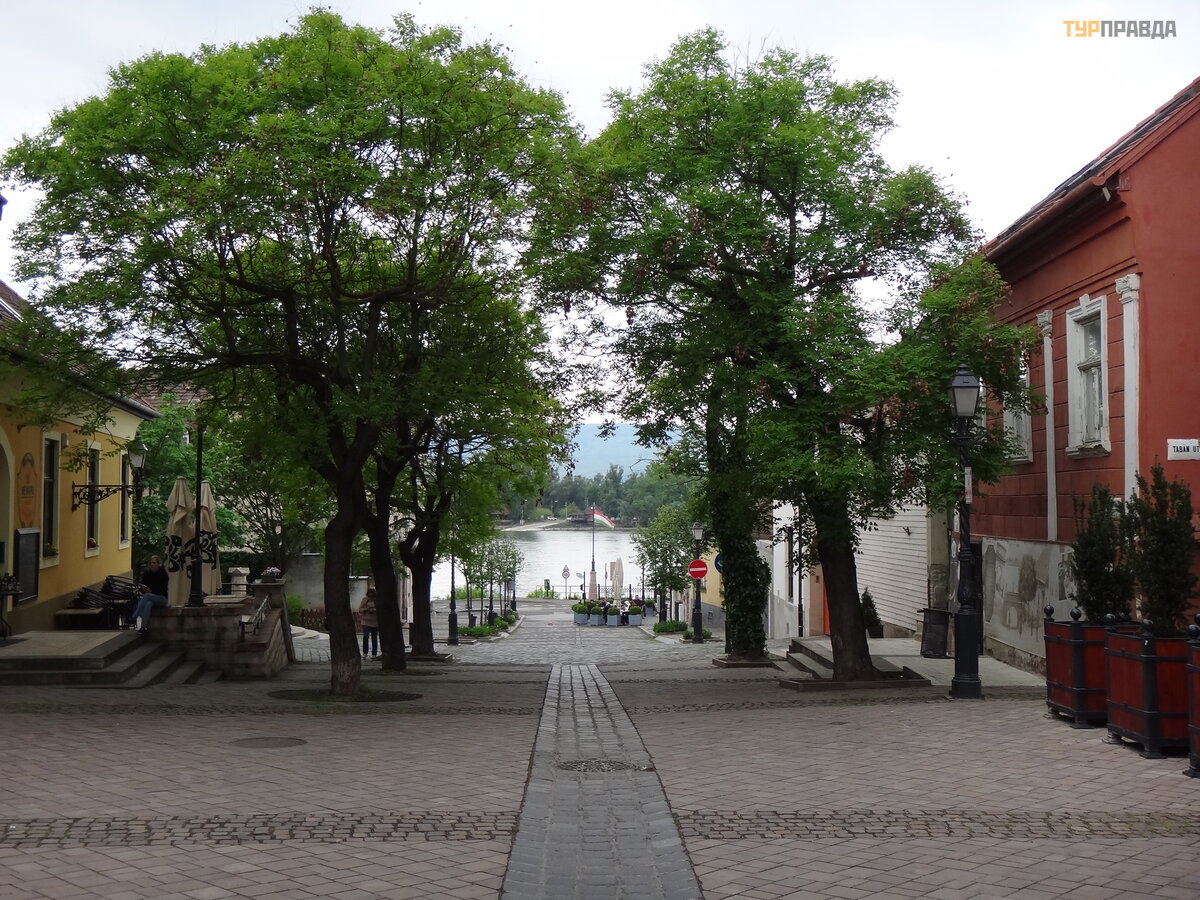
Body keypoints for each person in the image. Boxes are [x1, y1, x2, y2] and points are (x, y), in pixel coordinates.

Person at [129, 554, 170, 635]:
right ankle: (144, 627)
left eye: (154, 563)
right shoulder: (147, 574)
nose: (152, 565)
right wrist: (143, 589)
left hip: (161, 598)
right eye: (150, 563)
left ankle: (134, 616)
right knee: (148, 603)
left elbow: (162, 589)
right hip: (150, 598)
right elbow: (142, 586)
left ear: (158, 564)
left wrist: (151, 591)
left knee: (147, 596)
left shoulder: (163, 574)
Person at [359, 588, 379, 658]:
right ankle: (365, 652)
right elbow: (360, 609)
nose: (370, 597)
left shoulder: (377, 601)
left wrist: (374, 610)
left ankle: (374, 654)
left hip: (375, 622)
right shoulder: (364, 600)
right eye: (369, 596)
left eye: (372, 596)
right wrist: (365, 609)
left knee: (374, 638)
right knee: (365, 636)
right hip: (365, 621)